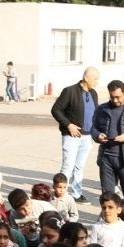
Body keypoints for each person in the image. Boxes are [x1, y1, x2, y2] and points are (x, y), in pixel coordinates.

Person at [50, 67, 100, 202]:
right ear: (86, 78)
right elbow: (56, 110)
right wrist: (68, 124)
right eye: (95, 79)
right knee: (68, 165)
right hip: (71, 136)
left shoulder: (93, 93)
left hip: (87, 136)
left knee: (79, 166)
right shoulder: (69, 91)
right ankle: (61, 195)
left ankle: (77, 194)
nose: (96, 82)